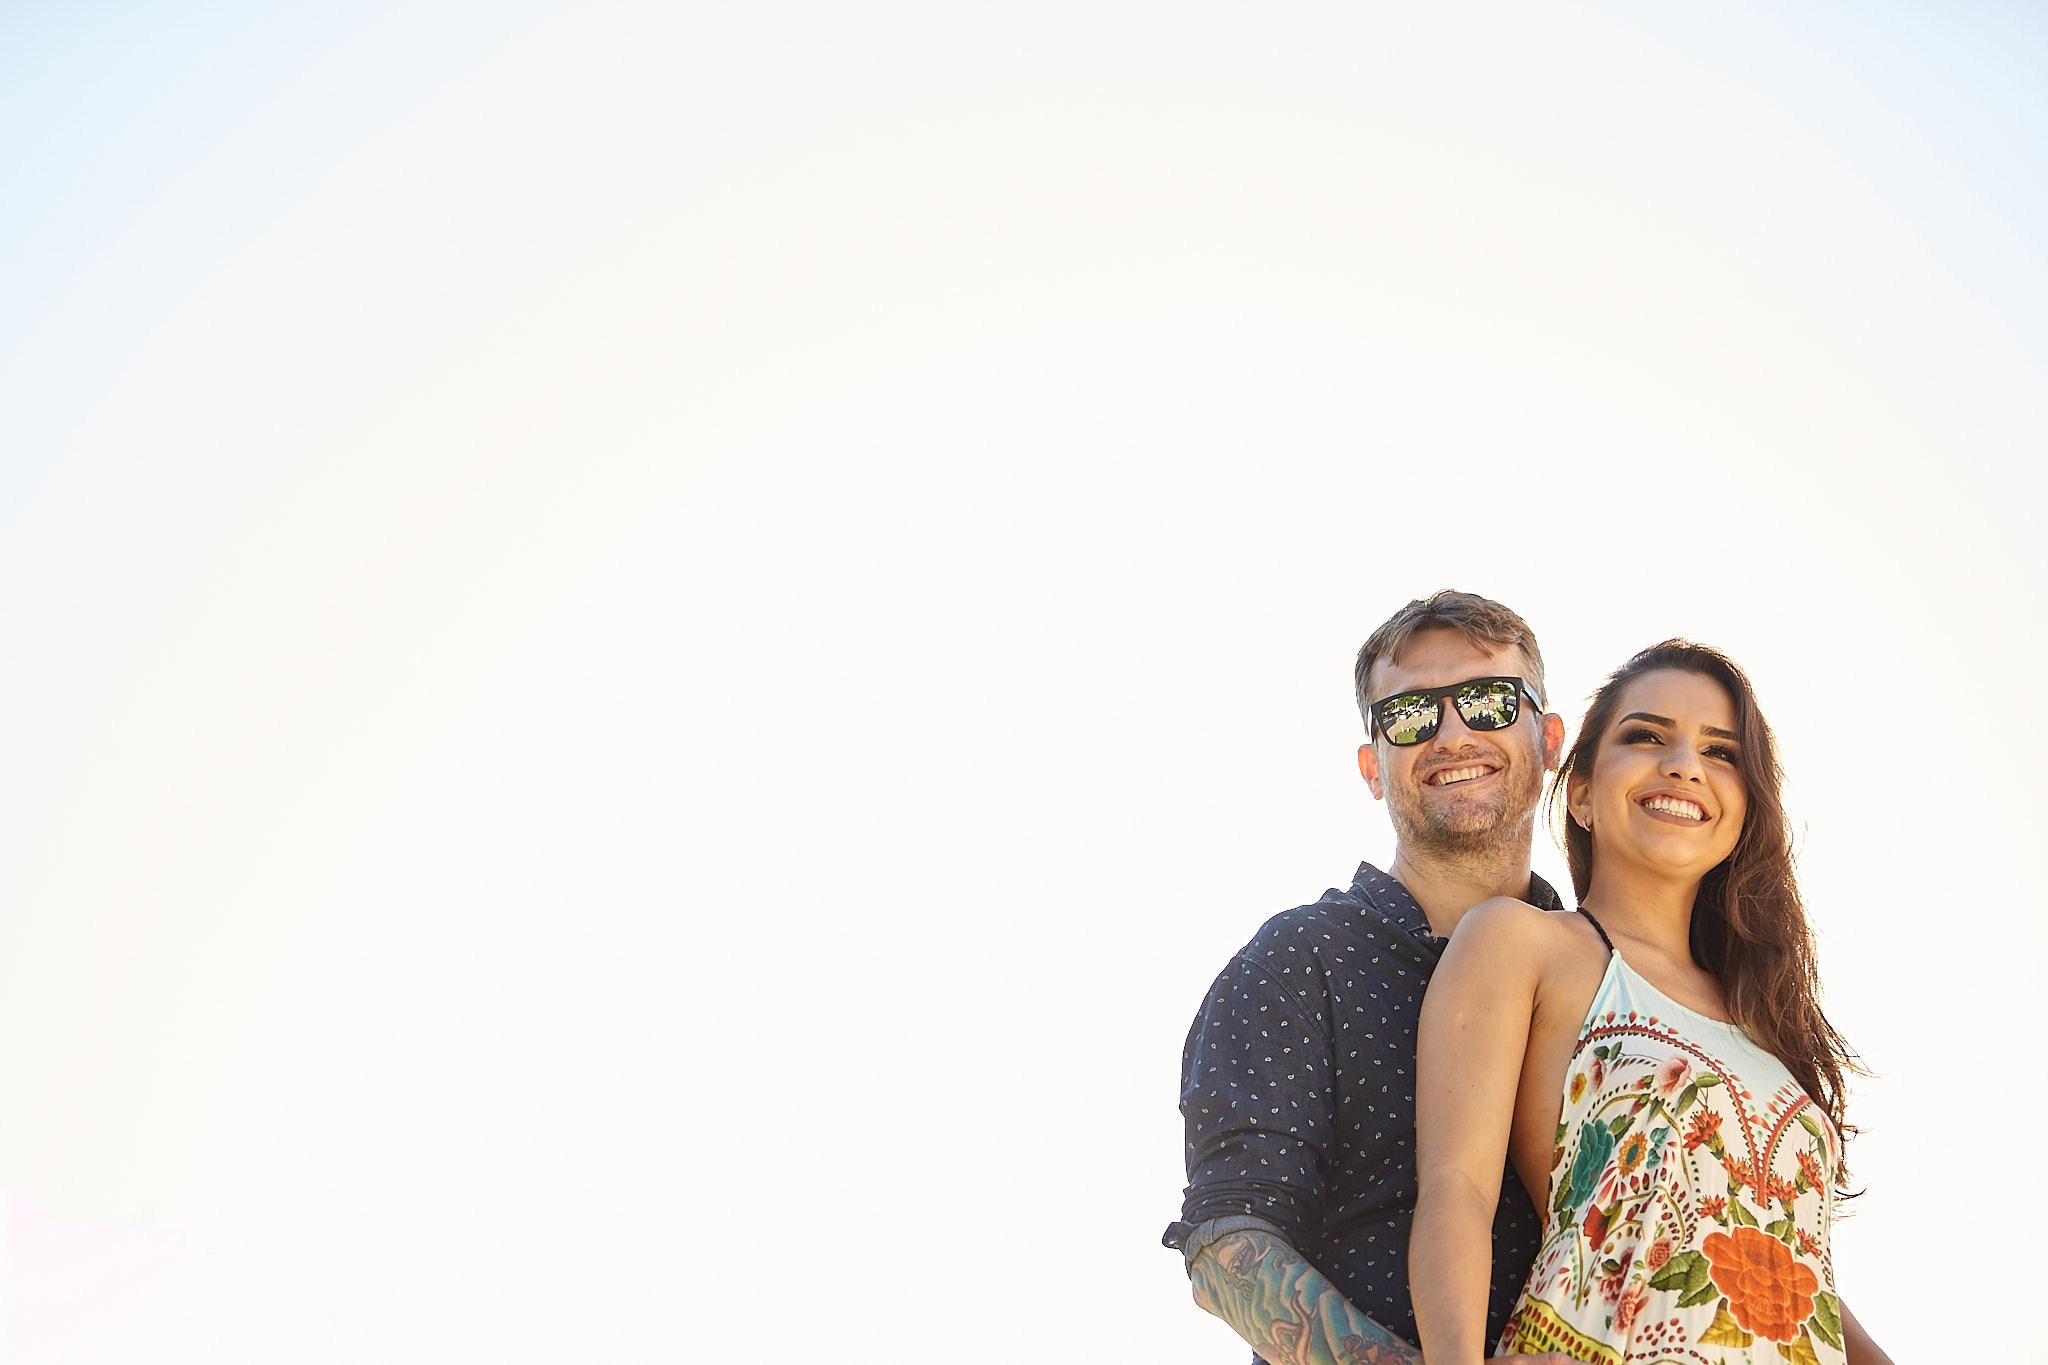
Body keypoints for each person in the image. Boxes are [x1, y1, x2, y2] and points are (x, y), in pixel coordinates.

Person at [1409, 641, 1893, 1365]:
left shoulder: (1762, 1015)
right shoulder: (1522, 943)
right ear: (1578, 792)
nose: (1684, 764)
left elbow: (1790, 1263)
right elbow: (1457, 1188)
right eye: (1646, 735)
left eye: (1721, 752)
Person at [1166, 590, 1573, 1365]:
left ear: (1549, 737)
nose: (1452, 734)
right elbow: (1227, 1244)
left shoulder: (1603, 972)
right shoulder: (1297, 961)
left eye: (1488, 701)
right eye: (1412, 715)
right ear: (1372, 767)